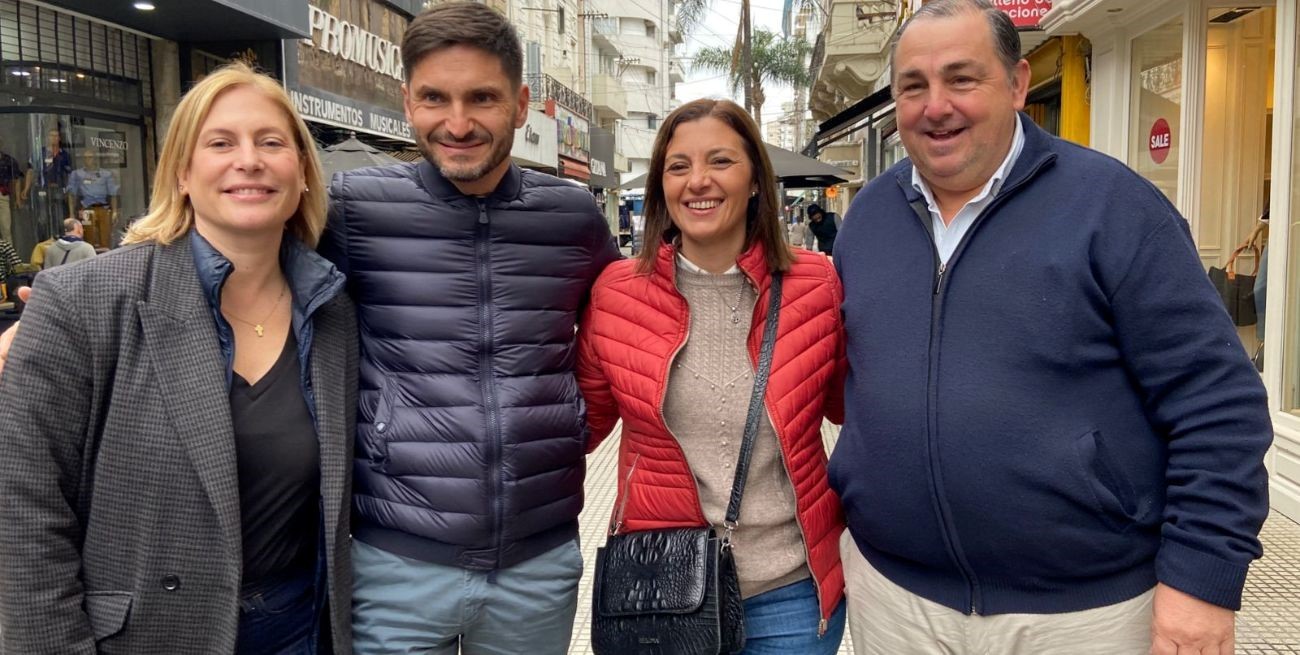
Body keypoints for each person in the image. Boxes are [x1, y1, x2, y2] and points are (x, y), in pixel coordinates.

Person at [830, 2, 1273, 654]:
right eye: (913, 86)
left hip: (1085, 615)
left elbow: (1218, 406)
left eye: (962, 79)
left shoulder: (1114, 209)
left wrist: (1202, 580)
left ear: (1016, 83)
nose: (936, 105)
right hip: (895, 601)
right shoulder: (866, 220)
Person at [0, 62, 357, 654]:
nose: (249, 159)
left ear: (301, 174)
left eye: (272, 142)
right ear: (184, 174)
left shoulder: (333, 311)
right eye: (220, 143)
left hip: (300, 627)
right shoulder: (83, 301)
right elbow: (23, 513)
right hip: (146, 636)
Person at [317, 3, 619, 653]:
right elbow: (247, 281)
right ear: (406, 101)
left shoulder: (573, 216)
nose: (457, 123)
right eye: (434, 98)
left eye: (482, 97)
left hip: (537, 565)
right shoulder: (350, 209)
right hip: (395, 562)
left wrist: (565, 424)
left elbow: (628, 331)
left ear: (521, 103)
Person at [576, 98, 848, 653]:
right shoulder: (616, 292)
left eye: (721, 161)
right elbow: (580, 425)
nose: (698, 181)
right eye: (678, 167)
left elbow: (860, 410)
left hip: (792, 592)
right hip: (662, 588)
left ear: (754, 181)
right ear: (661, 186)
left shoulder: (817, 285)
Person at [67, 149, 120, 248]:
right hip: (87, 208)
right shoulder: (78, 174)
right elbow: (71, 194)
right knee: (88, 237)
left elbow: (113, 193)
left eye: (90, 157)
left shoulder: (105, 174)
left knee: (105, 237)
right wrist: (71, 213)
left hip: (103, 208)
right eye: (85, 158)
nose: (87, 160)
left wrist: (115, 211)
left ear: (95, 159)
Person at [0, 136, 27, 244]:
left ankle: (9, 258)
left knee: (6, 229)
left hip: (2, 195)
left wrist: (18, 199)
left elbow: (16, 179)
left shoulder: (8, 160)